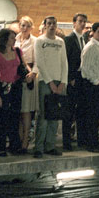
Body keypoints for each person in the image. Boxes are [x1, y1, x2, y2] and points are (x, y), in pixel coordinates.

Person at [32, 17, 67, 158]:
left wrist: (63, 81)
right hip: (45, 82)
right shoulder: (40, 41)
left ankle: (50, 146)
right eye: (49, 24)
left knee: (55, 116)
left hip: (59, 82)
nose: (52, 26)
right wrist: (50, 82)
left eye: (54, 24)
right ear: (45, 26)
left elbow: (65, 63)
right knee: (44, 116)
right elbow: (40, 63)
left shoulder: (61, 42)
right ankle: (38, 147)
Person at [79, 22, 99, 153]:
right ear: (93, 32)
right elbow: (85, 68)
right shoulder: (90, 46)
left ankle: (95, 140)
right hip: (93, 85)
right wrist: (95, 81)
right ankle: (91, 143)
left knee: (97, 116)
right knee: (91, 116)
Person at [0, 28, 23, 156]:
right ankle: (0, 147)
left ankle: (14, 144)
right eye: (11, 37)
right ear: (4, 39)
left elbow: (23, 65)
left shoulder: (17, 51)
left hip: (16, 86)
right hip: (3, 85)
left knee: (15, 116)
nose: (14, 40)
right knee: (2, 117)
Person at [62, 13, 88, 151]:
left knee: (81, 111)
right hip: (73, 78)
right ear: (74, 23)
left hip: (81, 77)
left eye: (84, 21)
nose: (82, 24)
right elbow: (66, 60)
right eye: (80, 21)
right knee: (69, 111)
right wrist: (70, 77)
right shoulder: (69, 39)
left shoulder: (84, 39)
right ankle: (66, 142)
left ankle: (81, 140)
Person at [15, 16, 39, 152]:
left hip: (28, 75)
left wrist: (33, 73)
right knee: (18, 110)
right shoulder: (15, 40)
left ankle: (25, 140)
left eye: (27, 26)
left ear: (31, 27)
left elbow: (37, 61)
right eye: (22, 25)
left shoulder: (35, 41)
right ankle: (18, 140)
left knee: (26, 110)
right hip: (16, 76)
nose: (24, 28)